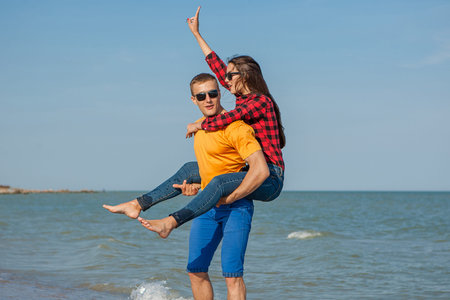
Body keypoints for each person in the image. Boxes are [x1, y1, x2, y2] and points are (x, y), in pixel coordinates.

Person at [103, 6, 285, 239]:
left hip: (270, 177)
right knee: (190, 169)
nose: (226, 79)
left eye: (231, 76)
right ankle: (139, 204)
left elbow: (229, 118)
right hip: (248, 169)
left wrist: (198, 125)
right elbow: (216, 66)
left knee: (218, 181)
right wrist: (197, 34)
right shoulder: (240, 95)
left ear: (245, 77)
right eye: (227, 76)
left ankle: (171, 222)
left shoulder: (260, 101)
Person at [141, 73, 267, 299]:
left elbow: (257, 170)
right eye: (201, 96)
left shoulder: (237, 127)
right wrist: (194, 188)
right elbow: (210, 172)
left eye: (212, 93)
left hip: (236, 208)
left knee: (232, 275)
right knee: (196, 270)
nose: (208, 99)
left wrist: (231, 197)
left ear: (220, 94)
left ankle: (169, 222)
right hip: (207, 209)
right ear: (194, 100)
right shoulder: (200, 130)